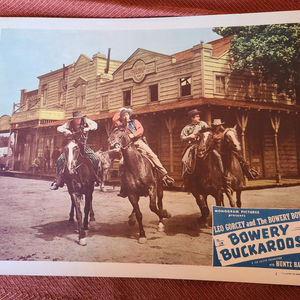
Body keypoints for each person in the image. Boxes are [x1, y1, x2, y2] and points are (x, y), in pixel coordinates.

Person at [112, 107, 175, 197]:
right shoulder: (121, 125)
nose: (125, 116)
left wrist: (133, 135)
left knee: (152, 155)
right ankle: (124, 187)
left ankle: (164, 174)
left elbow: (141, 130)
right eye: (123, 115)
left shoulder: (135, 122)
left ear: (129, 115)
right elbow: (114, 119)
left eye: (126, 114)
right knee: (121, 163)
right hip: (128, 146)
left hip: (138, 142)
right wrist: (120, 110)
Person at [50, 111, 98, 190]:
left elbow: (95, 125)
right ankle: (58, 181)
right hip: (72, 145)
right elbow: (59, 128)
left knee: (95, 158)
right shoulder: (69, 123)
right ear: (74, 119)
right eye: (76, 119)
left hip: (83, 145)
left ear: (81, 118)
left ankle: (95, 178)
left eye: (79, 118)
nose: (78, 120)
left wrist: (88, 128)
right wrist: (66, 130)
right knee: (59, 160)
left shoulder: (86, 121)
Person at [180, 109, 209, 177]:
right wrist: (189, 137)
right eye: (197, 116)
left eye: (199, 116)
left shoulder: (203, 124)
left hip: (204, 145)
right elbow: (182, 138)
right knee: (184, 160)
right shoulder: (187, 127)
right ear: (192, 118)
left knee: (216, 155)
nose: (199, 117)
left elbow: (208, 131)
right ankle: (185, 176)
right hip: (193, 145)